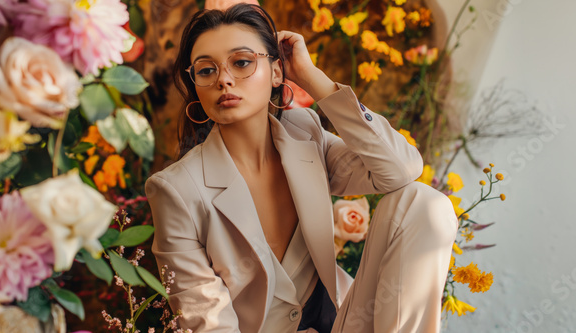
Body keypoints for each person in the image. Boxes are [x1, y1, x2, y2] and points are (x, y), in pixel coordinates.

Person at [143, 3, 457, 332]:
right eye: (206, 70)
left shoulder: (303, 133)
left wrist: (313, 79)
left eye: (242, 62)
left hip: (344, 323)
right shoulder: (175, 190)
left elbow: (401, 168)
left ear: (277, 71)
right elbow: (206, 320)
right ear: (195, 86)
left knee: (424, 203)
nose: (224, 79)